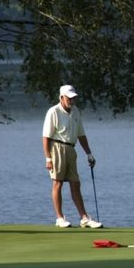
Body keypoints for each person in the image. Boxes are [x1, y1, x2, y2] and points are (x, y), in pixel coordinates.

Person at [42, 85, 103, 228]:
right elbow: (45, 137)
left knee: (75, 183)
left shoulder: (75, 111)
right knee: (58, 183)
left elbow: (81, 134)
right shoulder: (53, 112)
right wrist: (48, 158)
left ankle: (84, 218)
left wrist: (89, 154)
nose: (71, 100)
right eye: (69, 98)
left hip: (71, 149)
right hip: (56, 148)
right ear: (61, 97)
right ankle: (59, 218)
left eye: (73, 97)